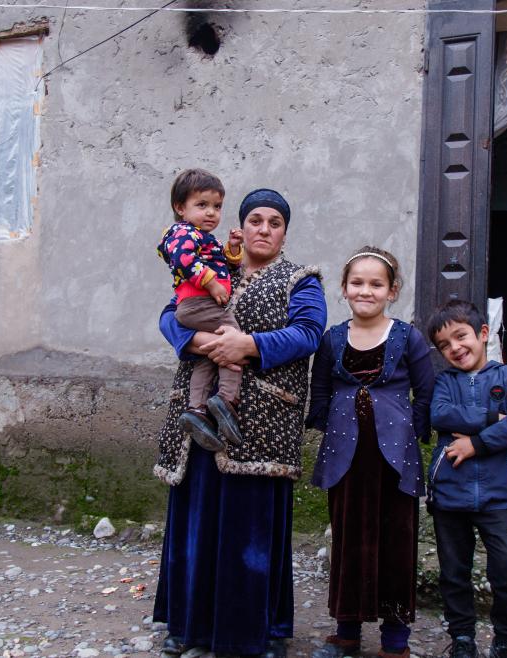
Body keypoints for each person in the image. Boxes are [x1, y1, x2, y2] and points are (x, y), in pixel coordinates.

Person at [152, 188, 326, 658]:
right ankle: (190, 627)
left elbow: (309, 332)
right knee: (198, 518)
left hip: (263, 420)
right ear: (242, 226)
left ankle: (258, 631)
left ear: (284, 231)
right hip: (198, 415)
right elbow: (171, 316)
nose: (263, 229)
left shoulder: (300, 280)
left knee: (250, 528)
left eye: (274, 222)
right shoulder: (211, 266)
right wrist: (198, 343)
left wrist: (248, 346)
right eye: (255, 220)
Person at [305, 246, 435, 658]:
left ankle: (396, 641)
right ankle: (347, 632)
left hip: (394, 460)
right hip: (345, 458)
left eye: (376, 284)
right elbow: (321, 390)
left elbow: (425, 390)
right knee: (348, 540)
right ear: (344, 289)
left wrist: (407, 432)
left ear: (392, 291)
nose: (366, 291)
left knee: (396, 542)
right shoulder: (331, 340)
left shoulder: (408, 337)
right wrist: (334, 431)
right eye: (357, 283)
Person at [425, 300, 507, 658]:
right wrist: (493, 417)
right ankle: (462, 638)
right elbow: (440, 414)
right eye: (444, 345)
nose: (455, 348)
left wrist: (476, 443)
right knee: (454, 572)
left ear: (483, 334)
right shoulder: (444, 381)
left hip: (498, 495)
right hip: (450, 493)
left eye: (461, 336)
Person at [155, 168, 245, 450]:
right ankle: (227, 400)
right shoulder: (182, 233)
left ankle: (196, 410)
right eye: (202, 205)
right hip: (199, 302)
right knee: (233, 338)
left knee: (208, 357)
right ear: (180, 208)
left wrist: (231, 248)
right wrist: (212, 284)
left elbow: (227, 265)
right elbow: (183, 260)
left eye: (217, 207)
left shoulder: (204, 238)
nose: (211, 213)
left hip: (196, 306)